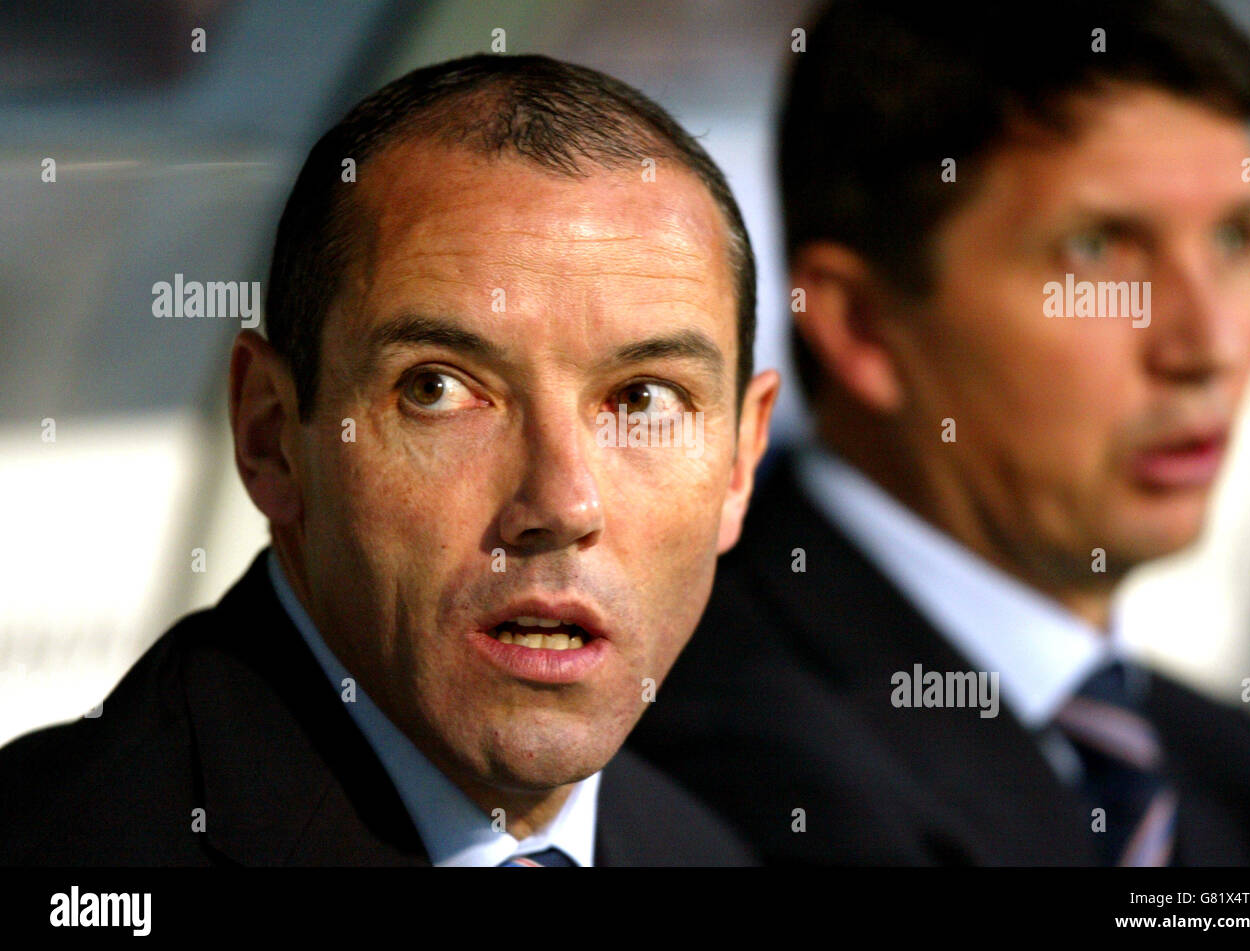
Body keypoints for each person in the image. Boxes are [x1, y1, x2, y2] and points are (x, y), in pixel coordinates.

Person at [0, 54, 779, 866]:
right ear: (270, 434)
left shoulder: (706, 848)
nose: (562, 503)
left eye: (645, 399)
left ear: (739, 460)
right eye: (438, 389)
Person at [630, 0, 1250, 865]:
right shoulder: (718, 758)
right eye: (1098, 252)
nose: (1207, 343)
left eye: (1235, 239)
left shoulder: (1229, 770)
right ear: (864, 324)